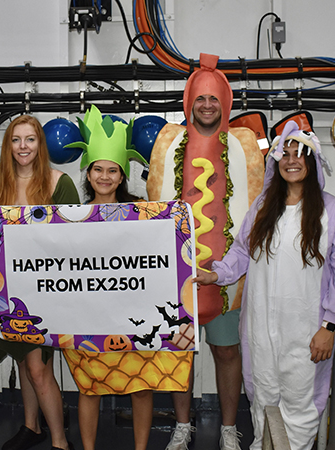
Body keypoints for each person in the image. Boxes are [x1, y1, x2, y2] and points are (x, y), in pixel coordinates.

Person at [195, 121, 335, 449]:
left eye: (300, 154)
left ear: (311, 163)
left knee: (302, 405)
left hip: (308, 332)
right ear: (276, 161)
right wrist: (217, 274)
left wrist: (329, 325)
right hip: (261, 331)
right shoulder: (263, 209)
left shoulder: (334, 213)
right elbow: (241, 252)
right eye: (285, 153)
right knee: (264, 401)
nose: (292, 160)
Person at [147, 53, 265, 450]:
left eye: (215, 99)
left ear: (225, 103)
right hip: (176, 273)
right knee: (180, 354)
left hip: (228, 273)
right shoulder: (167, 143)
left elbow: (255, 210)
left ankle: (229, 428)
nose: (208, 106)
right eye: (201, 99)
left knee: (227, 351)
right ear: (189, 102)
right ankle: (183, 425)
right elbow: (153, 204)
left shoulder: (244, 145)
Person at [60, 105, 191, 450]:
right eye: (98, 170)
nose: (105, 177)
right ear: (88, 175)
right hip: (88, 313)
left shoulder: (143, 213)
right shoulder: (70, 217)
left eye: (112, 171)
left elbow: (163, 258)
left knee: (141, 385)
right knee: (89, 387)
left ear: (122, 177)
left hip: (134, 314)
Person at [0, 114, 79, 450]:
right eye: (16, 140)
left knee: (38, 368)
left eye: (30, 140)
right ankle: (31, 426)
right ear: (8, 145)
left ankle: (61, 441)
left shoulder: (59, 183)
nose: (23, 147)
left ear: (41, 144)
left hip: (46, 291)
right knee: (22, 358)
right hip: (4, 290)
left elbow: (76, 242)